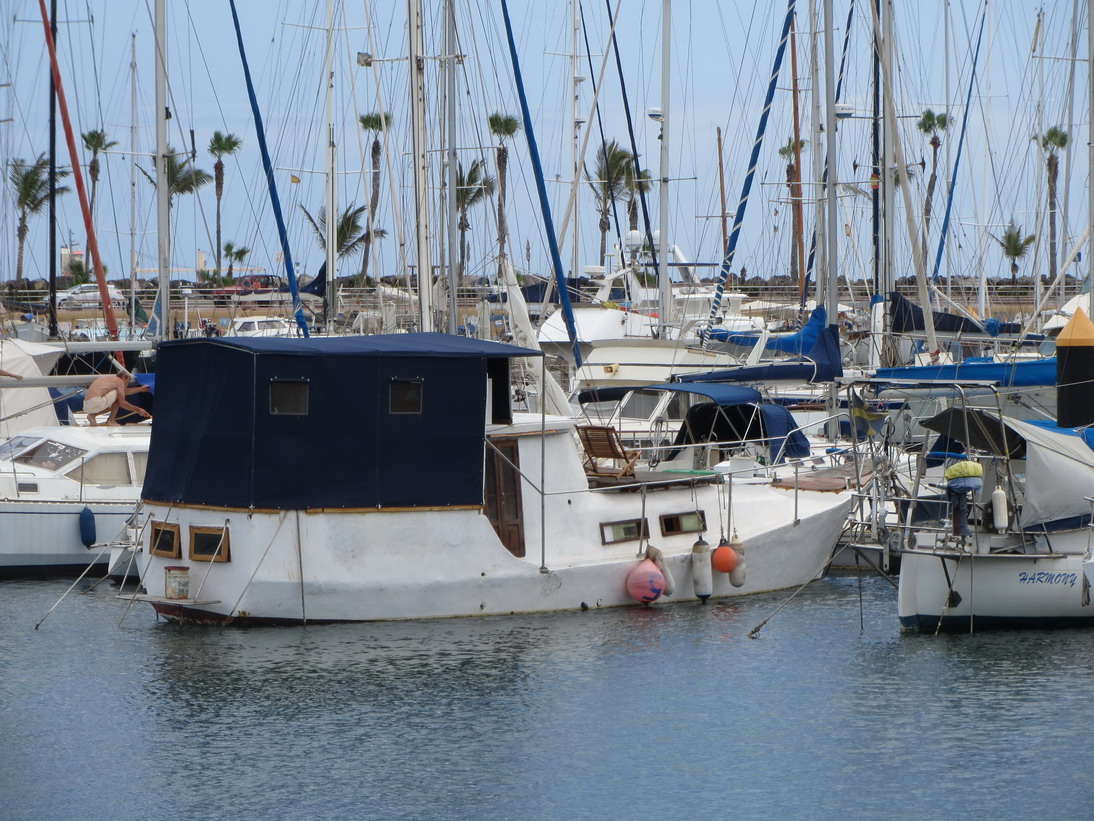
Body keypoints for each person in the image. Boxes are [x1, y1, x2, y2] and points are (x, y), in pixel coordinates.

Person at [83, 373, 152, 426]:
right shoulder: (119, 381)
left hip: (87, 405)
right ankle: (111, 420)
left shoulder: (110, 381)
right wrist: (138, 410)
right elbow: (122, 402)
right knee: (119, 396)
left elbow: (125, 391)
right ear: (124, 377)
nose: (126, 385)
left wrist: (141, 389)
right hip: (96, 402)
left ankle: (92, 416)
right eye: (127, 382)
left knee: (118, 395)